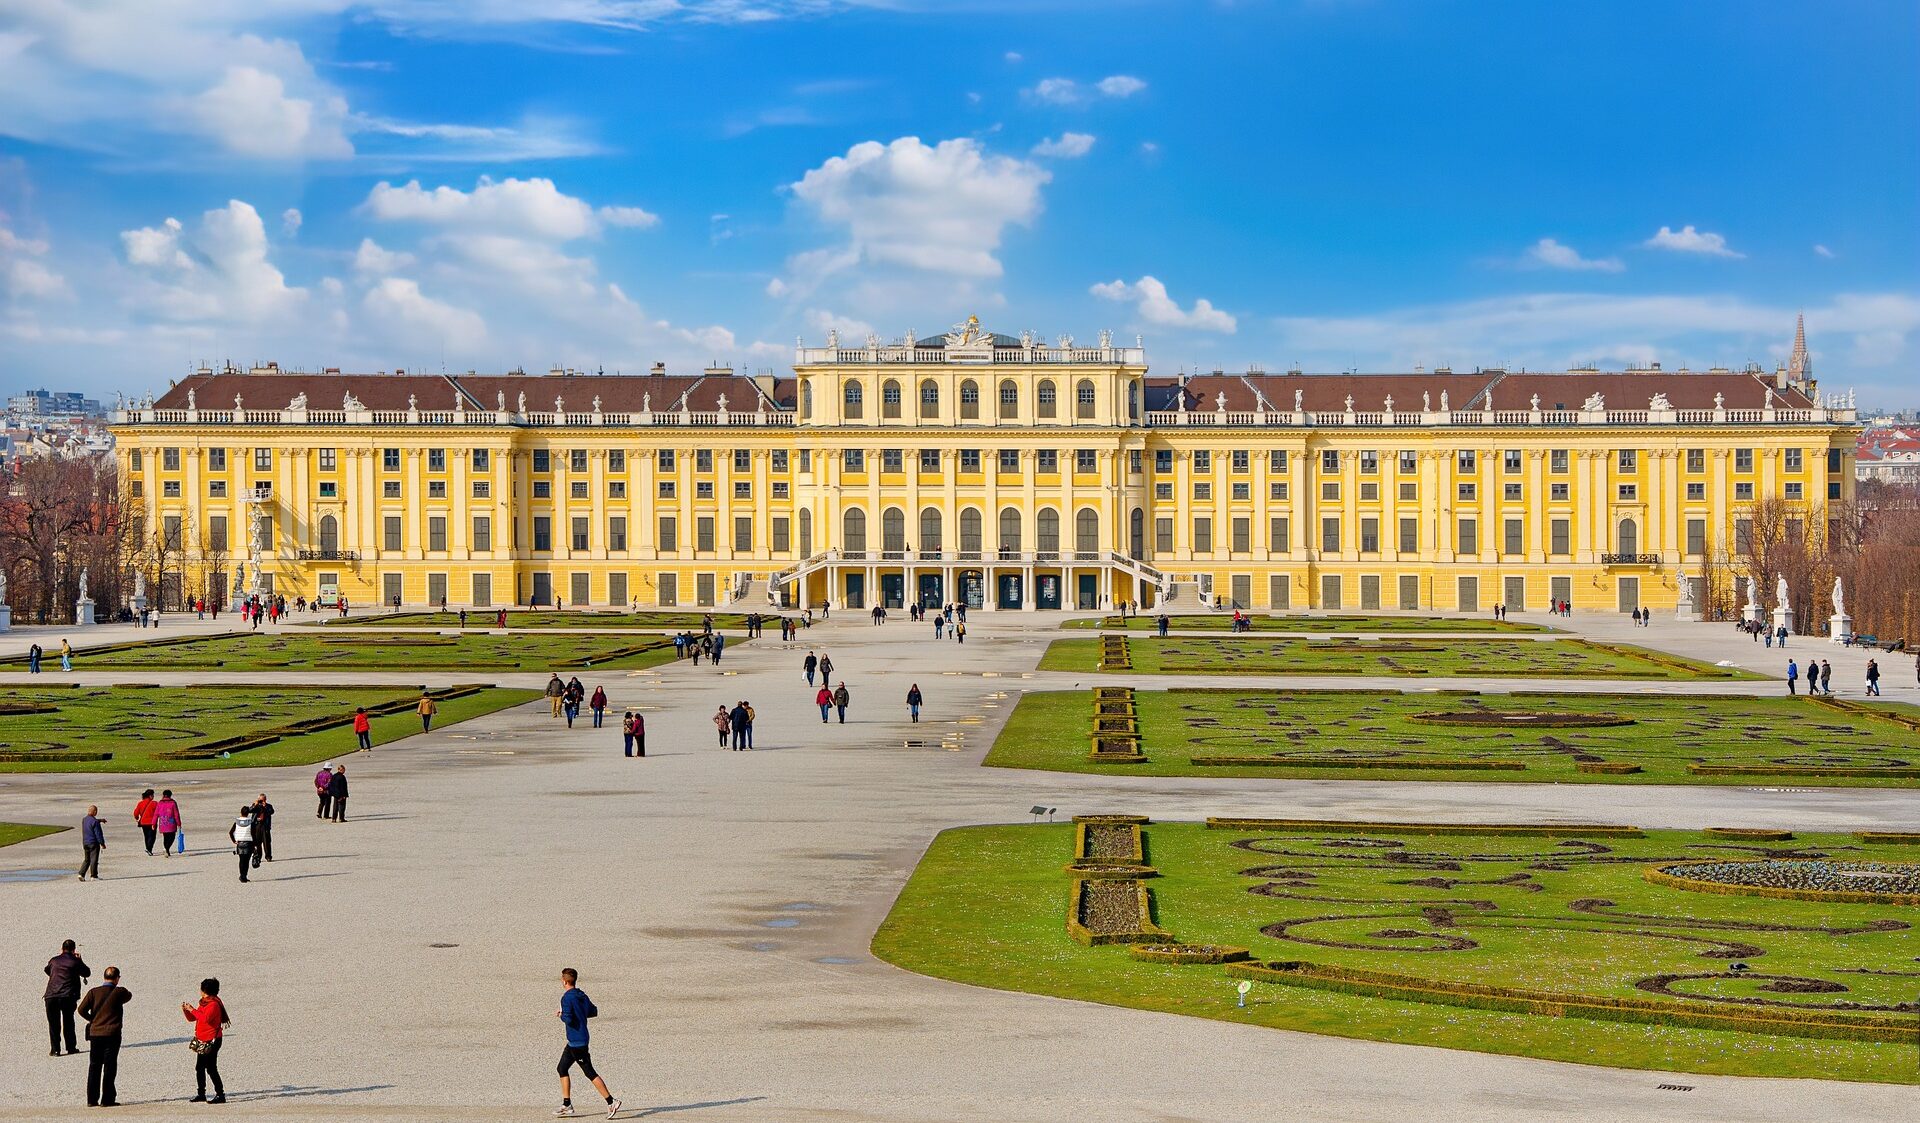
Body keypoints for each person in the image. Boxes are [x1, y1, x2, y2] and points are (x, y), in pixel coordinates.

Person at [553, 967, 620, 1118]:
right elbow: (593, 1011)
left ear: (564, 981)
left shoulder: (566, 998)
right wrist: (579, 1013)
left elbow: (568, 1019)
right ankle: (566, 1104)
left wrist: (561, 1015)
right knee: (562, 1068)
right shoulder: (581, 995)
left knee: (589, 1072)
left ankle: (611, 1101)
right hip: (574, 1041)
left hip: (578, 1042)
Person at [78, 966, 130, 1107]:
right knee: (109, 1065)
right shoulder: (119, 992)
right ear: (117, 978)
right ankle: (107, 1099)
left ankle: (92, 1099)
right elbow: (128, 995)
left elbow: (81, 1009)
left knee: (94, 1066)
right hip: (112, 1034)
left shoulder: (93, 992)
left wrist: (92, 1019)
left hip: (95, 1034)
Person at [182, 978, 229, 1103]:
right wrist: (187, 1011)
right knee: (200, 1067)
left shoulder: (213, 1004)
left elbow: (205, 1018)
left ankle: (220, 1095)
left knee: (211, 1068)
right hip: (203, 1039)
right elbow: (193, 1018)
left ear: (204, 991)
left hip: (212, 1040)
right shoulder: (204, 1002)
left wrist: (192, 1009)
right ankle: (201, 1094)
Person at [44, 939, 90, 1056]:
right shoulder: (75, 960)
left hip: (51, 995)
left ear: (62, 949)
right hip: (68, 995)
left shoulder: (54, 960)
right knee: (68, 1020)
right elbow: (86, 973)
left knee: (53, 1023)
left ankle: (55, 1050)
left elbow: (47, 970)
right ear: (74, 950)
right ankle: (70, 1047)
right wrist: (80, 960)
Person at [228, 804, 256, 882]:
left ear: (241, 812)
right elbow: (253, 834)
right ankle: (244, 876)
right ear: (248, 813)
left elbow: (230, 832)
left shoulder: (237, 822)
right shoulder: (251, 822)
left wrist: (234, 841)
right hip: (249, 843)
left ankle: (242, 875)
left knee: (241, 860)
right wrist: (255, 845)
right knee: (246, 861)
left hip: (239, 843)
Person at [76, 805, 105, 880]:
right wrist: (102, 843)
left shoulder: (84, 819)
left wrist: (100, 820)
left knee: (87, 859)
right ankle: (94, 876)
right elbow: (98, 834)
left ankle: (81, 874)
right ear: (94, 812)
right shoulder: (95, 822)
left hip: (85, 842)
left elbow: (91, 821)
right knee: (94, 859)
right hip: (93, 843)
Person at [251, 793, 274, 864]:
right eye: (260, 800)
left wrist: (265, 807)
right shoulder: (255, 805)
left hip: (265, 826)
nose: (262, 801)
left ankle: (268, 856)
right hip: (257, 825)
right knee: (257, 843)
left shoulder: (269, 806)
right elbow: (250, 810)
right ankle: (258, 856)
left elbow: (271, 812)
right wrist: (255, 804)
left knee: (266, 842)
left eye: (263, 800)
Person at [134, 789, 158, 855]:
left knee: (146, 836)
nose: (153, 796)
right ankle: (149, 849)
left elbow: (135, 813)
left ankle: (148, 848)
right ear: (150, 796)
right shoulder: (154, 803)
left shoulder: (140, 803)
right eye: (153, 795)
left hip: (143, 822)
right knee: (152, 836)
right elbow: (158, 812)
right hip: (152, 822)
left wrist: (137, 818)